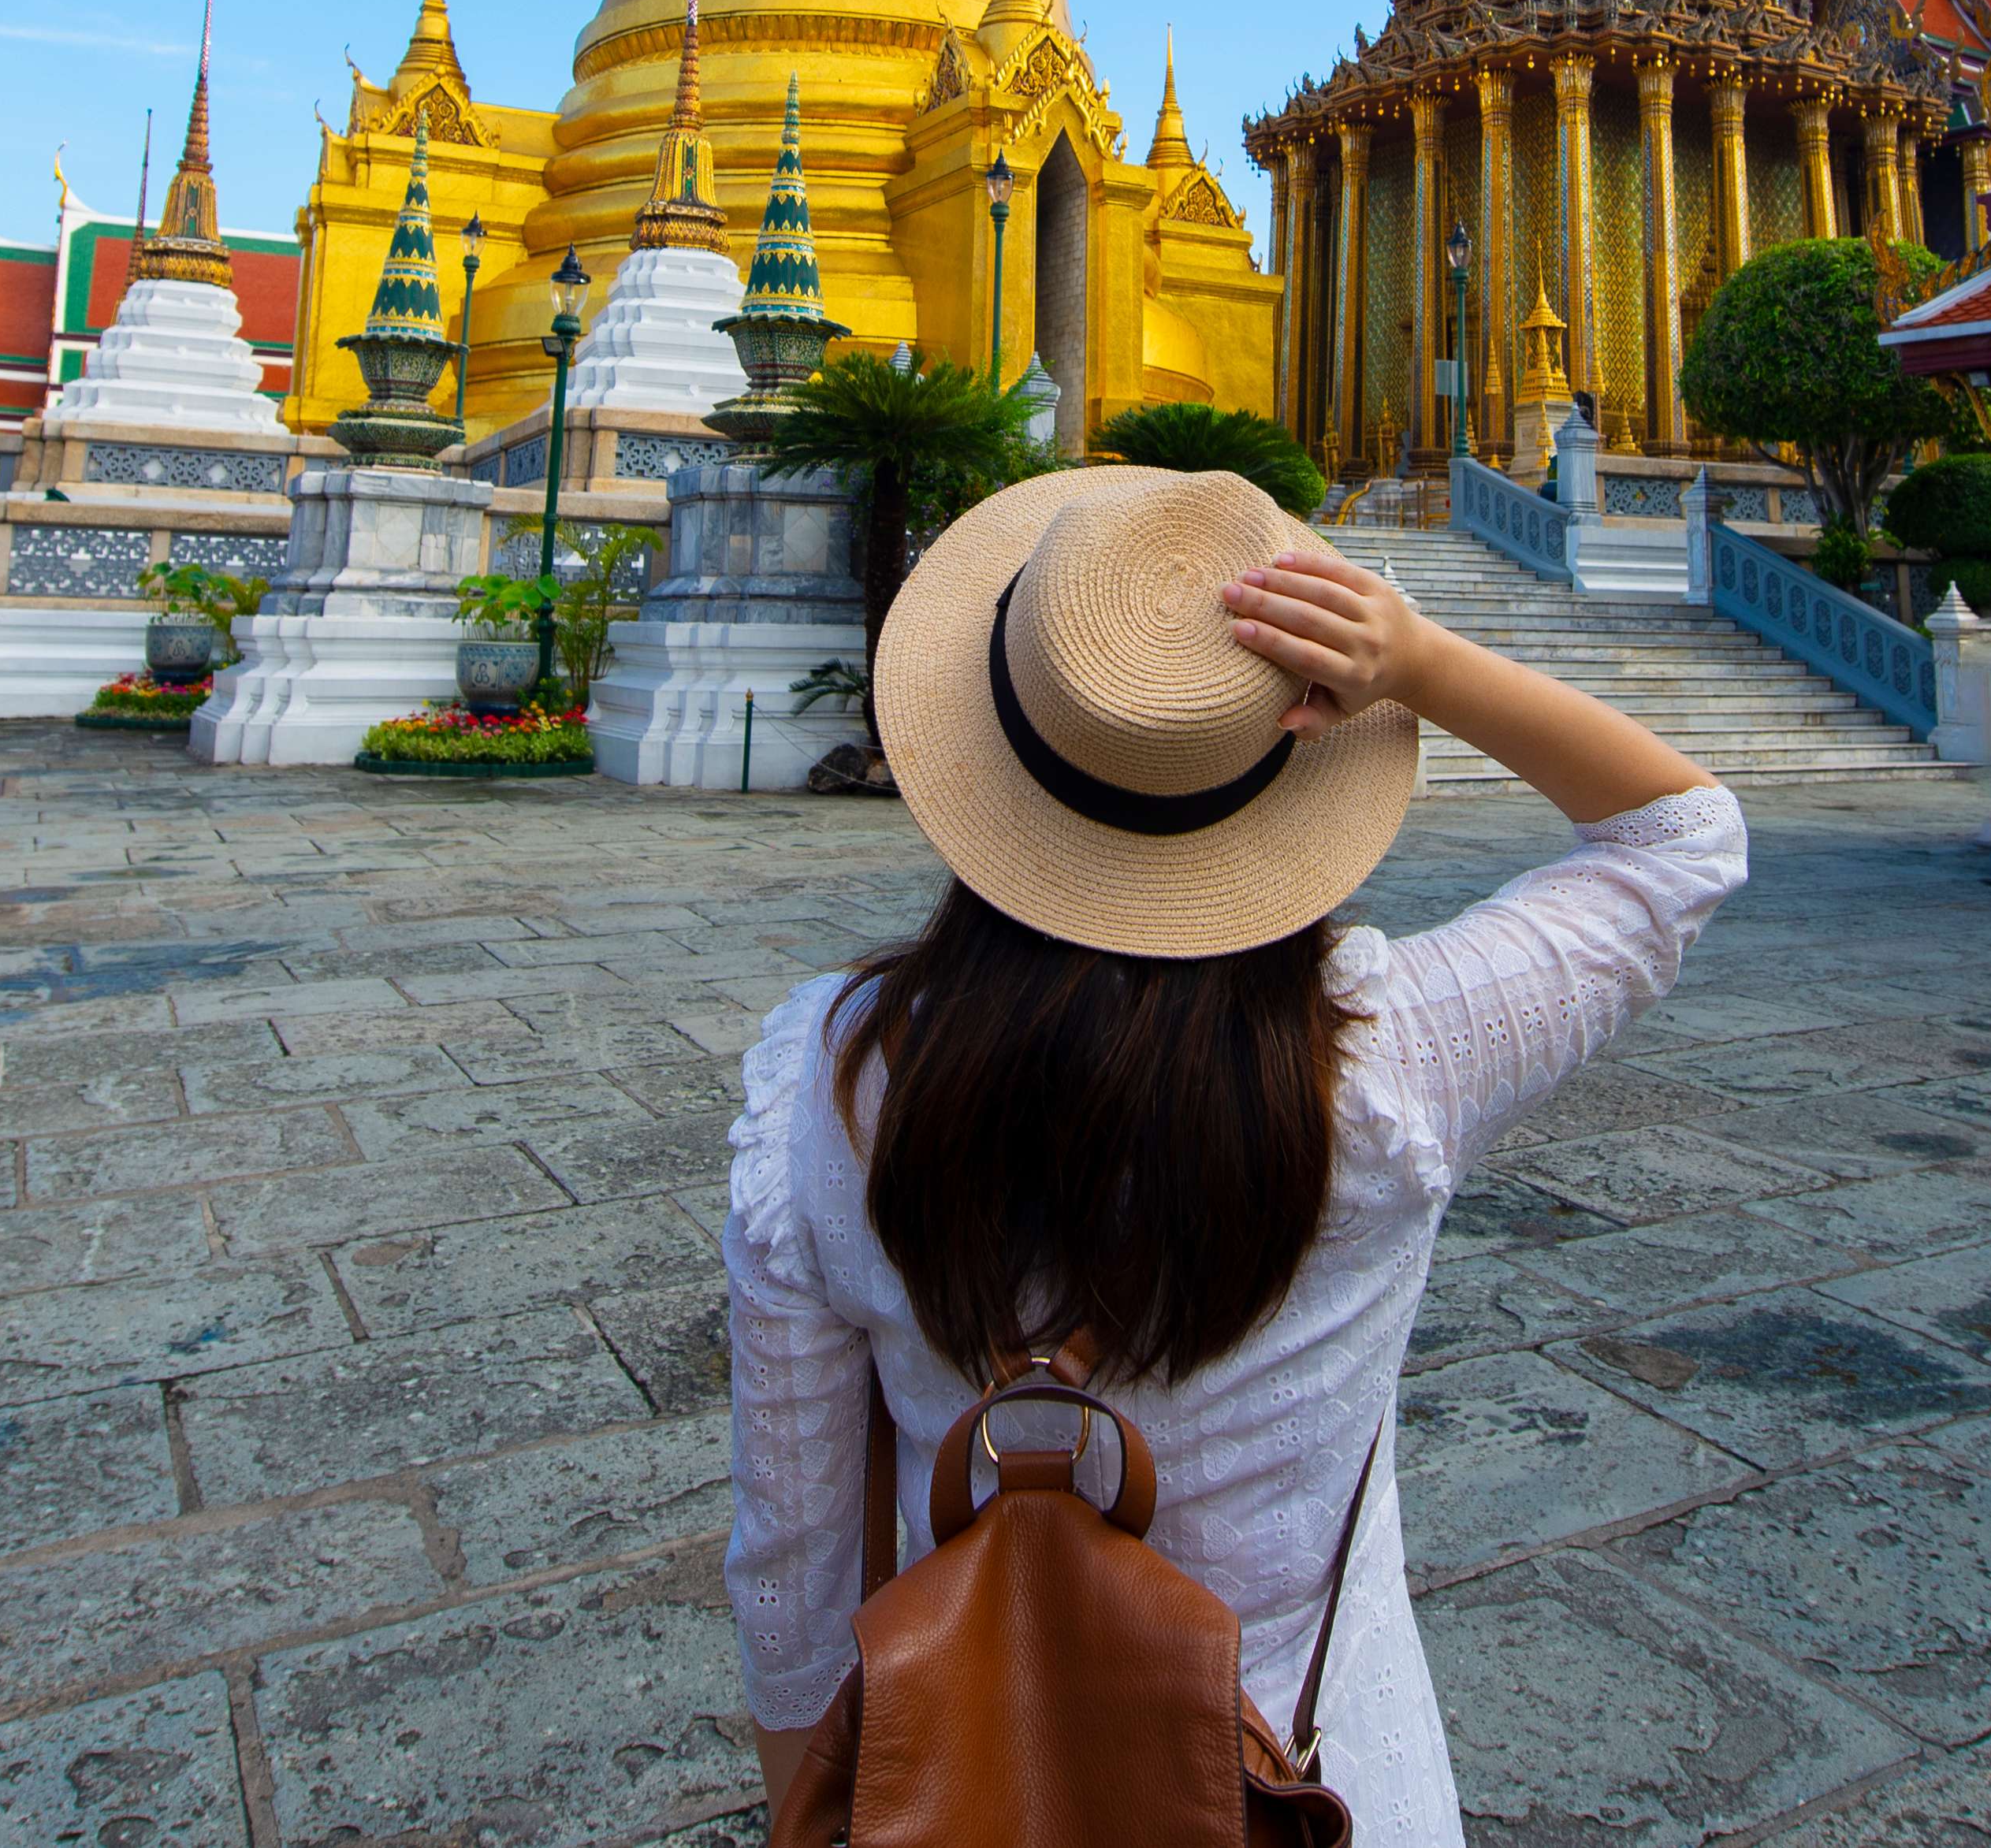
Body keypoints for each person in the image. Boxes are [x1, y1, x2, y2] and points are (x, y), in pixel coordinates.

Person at [724, 463, 1743, 1842]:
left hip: (964, 1774)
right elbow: (1679, 836)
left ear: (980, 752)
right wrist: (1423, 662)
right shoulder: (1393, 1058)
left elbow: (791, 1571)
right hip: (1318, 1772)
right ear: (1300, 742)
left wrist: (812, 1805)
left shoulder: (829, 1078)